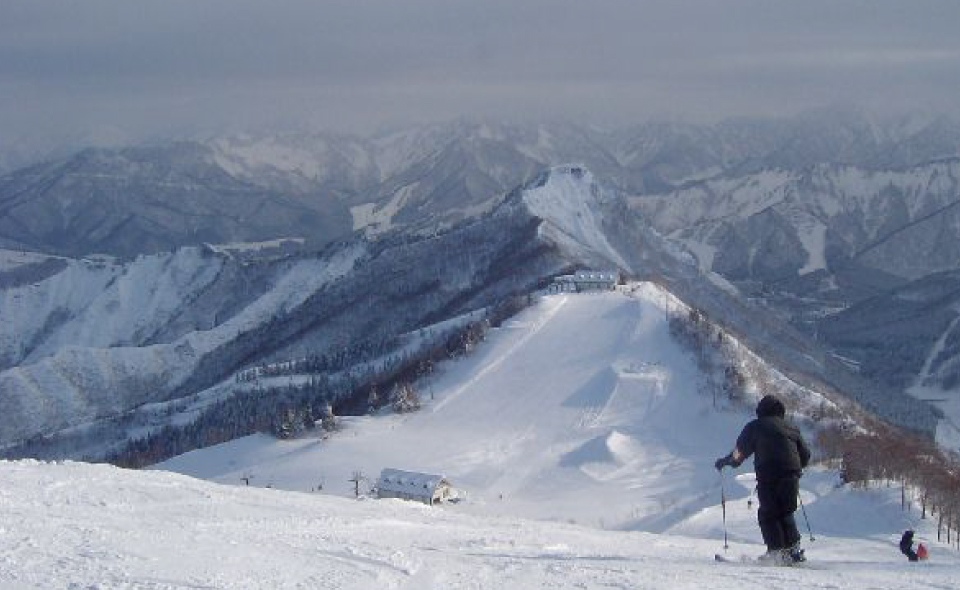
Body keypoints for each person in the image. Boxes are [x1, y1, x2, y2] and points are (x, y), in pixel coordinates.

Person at [715, 394, 811, 564]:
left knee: (769, 513)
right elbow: (806, 455)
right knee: (786, 511)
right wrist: (795, 468)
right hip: (791, 474)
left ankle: (776, 553)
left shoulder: (755, 427)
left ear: (761, 411)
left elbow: (739, 453)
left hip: (769, 474)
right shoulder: (792, 427)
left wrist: (726, 462)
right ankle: (793, 551)